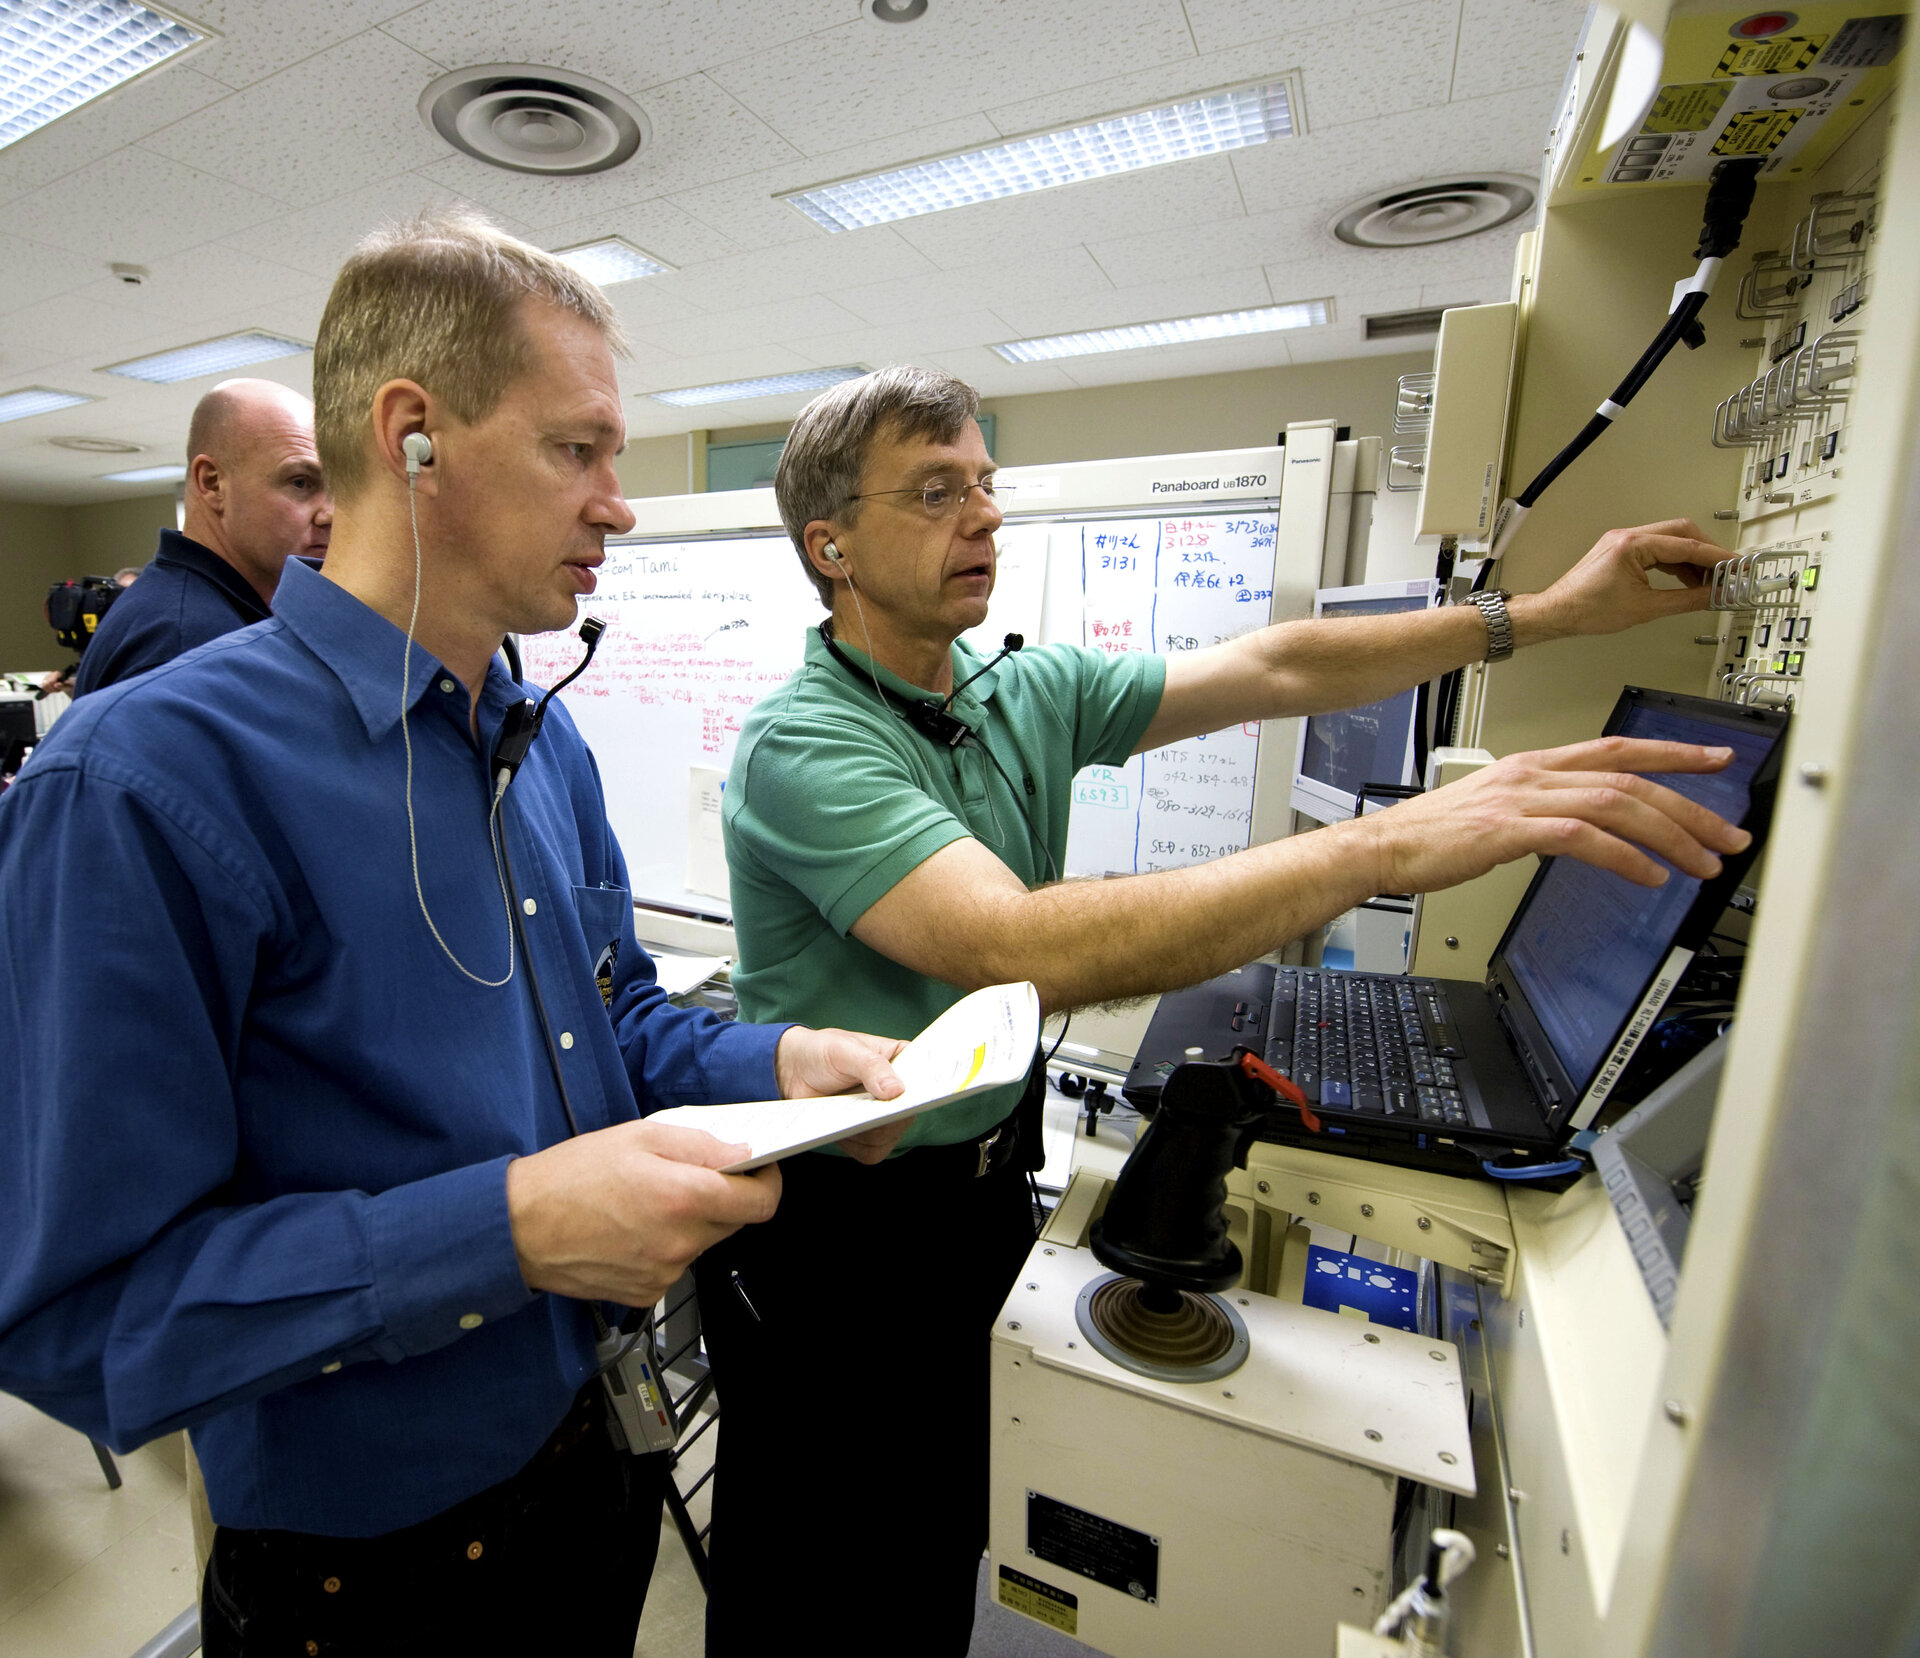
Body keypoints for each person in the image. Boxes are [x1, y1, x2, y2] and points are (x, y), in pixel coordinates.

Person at [699, 365, 1756, 1656]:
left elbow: (1274, 663)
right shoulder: (804, 744)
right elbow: (1007, 944)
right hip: (843, 1238)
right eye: (936, 492)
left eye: (984, 483)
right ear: (833, 545)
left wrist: (1536, 617)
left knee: (935, 1550)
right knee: (821, 1579)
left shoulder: (1006, 692)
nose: (984, 515)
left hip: (980, 1193)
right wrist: (1388, 846)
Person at [0, 214, 905, 1656]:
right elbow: (85, 1315)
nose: (622, 504)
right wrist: (511, 1229)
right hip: (370, 1585)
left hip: (595, 1466)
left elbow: (606, 1023)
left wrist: (777, 1064)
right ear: (413, 434)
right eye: (579, 450)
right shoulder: (143, 780)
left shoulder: (539, 741)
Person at [70, 378, 334, 696]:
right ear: (211, 483)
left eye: (337, 489)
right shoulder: (187, 641)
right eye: (301, 483)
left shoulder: (208, 610)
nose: (329, 514)